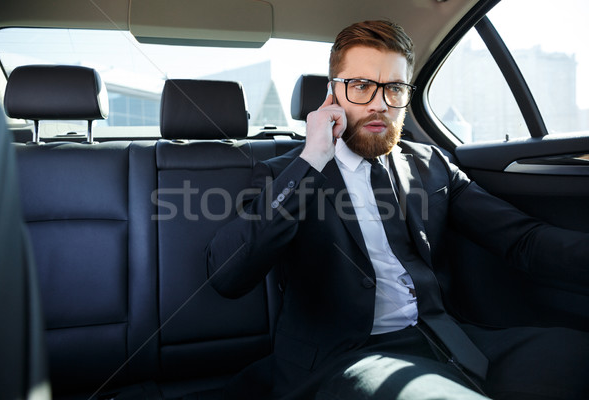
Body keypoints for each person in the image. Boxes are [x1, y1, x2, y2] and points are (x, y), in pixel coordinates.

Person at [206, 20, 589, 400]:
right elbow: (228, 275)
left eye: (394, 87)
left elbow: (522, 239)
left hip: (445, 338)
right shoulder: (286, 172)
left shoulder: (430, 164)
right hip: (346, 358)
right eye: (360, 86)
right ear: (332, 94)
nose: (379, 103)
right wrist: (312, 160)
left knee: (576, 354)